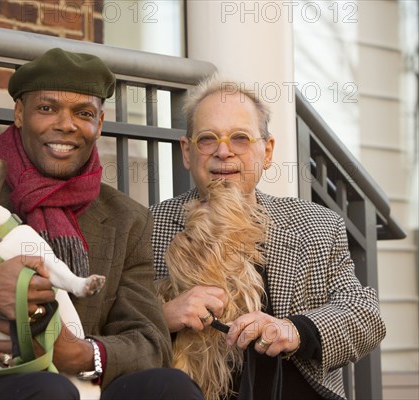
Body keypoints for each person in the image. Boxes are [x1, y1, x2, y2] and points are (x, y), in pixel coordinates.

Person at [0, 47, 203, 400]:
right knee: (48, 391)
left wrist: (79, 353)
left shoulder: (126, 217)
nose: (66, 124)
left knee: (170, 387)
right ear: (19, 113)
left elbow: (149, 342)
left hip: (77, 382)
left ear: (99, 125)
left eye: (83, 112)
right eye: (47, 108)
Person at [150, 75, 386, 399]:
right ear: (187, 152)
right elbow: (107, 324)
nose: (223, 152)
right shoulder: (149, 225)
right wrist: (165, 315)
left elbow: (364, 314)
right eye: (207, 139)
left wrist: (294, 330)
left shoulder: (317, 224)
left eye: (240, 138)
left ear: (268, 150)